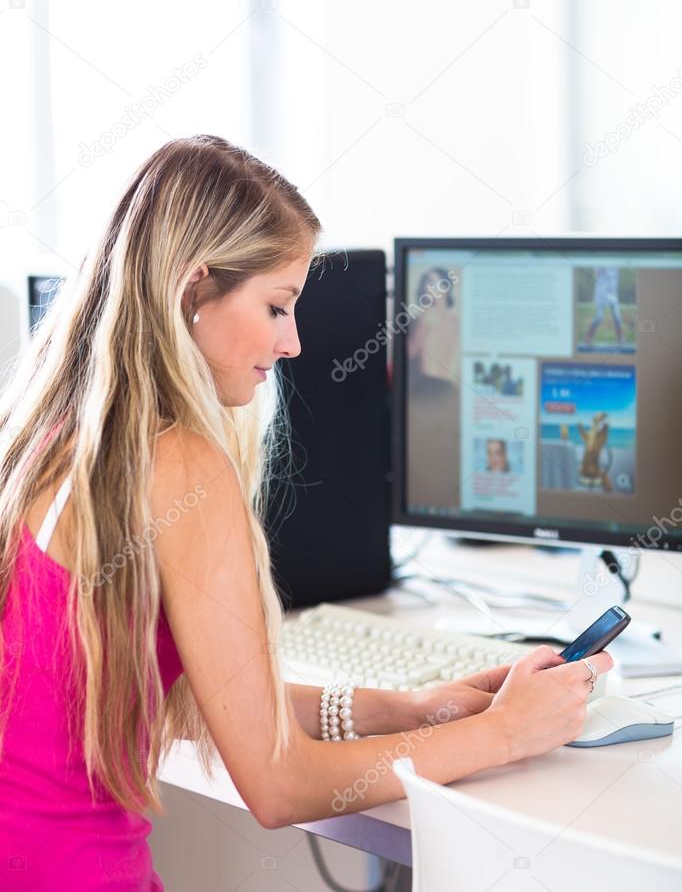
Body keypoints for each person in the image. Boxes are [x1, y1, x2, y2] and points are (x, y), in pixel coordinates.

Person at [0, 136, 612, 890]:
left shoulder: (51, 437)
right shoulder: (176, 462)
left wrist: (408, 707)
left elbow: (207, 696)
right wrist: (506, 733)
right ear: (193, 291)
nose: (292, 342)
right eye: (277, 305)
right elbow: (278, 785)